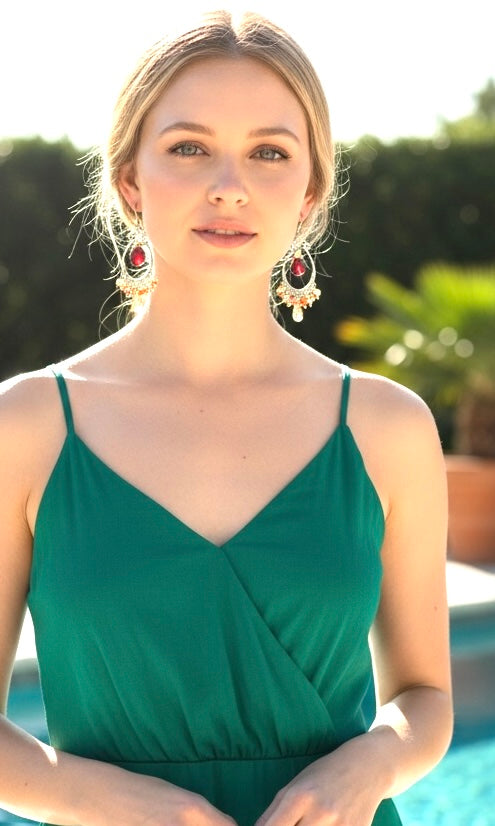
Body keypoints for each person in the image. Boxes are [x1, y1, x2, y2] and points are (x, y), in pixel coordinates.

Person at [0, 10, 453, 826]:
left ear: (310, 190)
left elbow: (423, 701)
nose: (228, 185)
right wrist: (121, 803)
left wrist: (370, 763)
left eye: (269, 152)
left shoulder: (387, 426)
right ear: (130, 179)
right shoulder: (27, 425)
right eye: (188, 147)